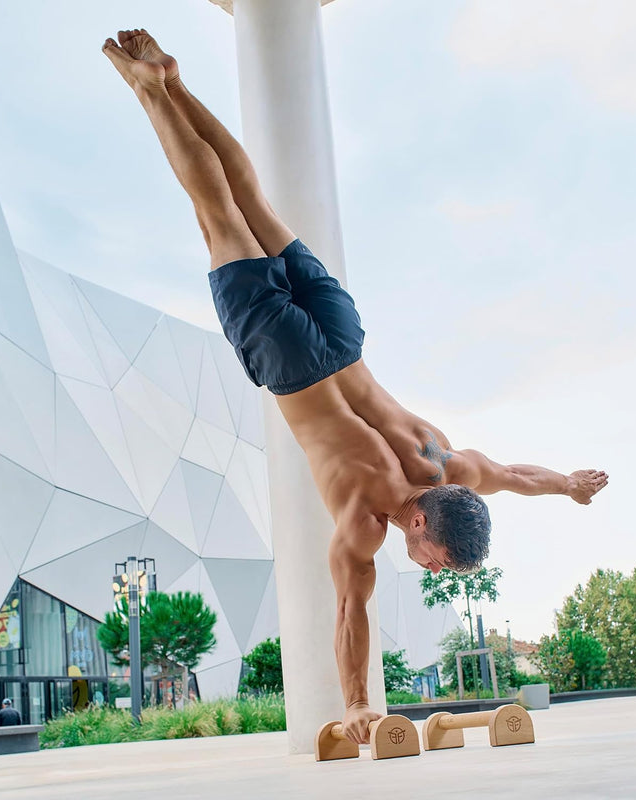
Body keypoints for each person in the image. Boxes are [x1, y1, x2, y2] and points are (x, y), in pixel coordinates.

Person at [102, 29, 609, 745]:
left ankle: (176, 82)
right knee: (215, 209)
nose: (431, 571)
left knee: (250, 195)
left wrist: (568, 485)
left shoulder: (448, 464)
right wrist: (355, 701)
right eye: (437, 562)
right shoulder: (365, 522)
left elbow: (514, 475)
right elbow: (350, 614)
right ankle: (153, 93)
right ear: (427, 524)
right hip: (289, 361)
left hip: (343, 340)